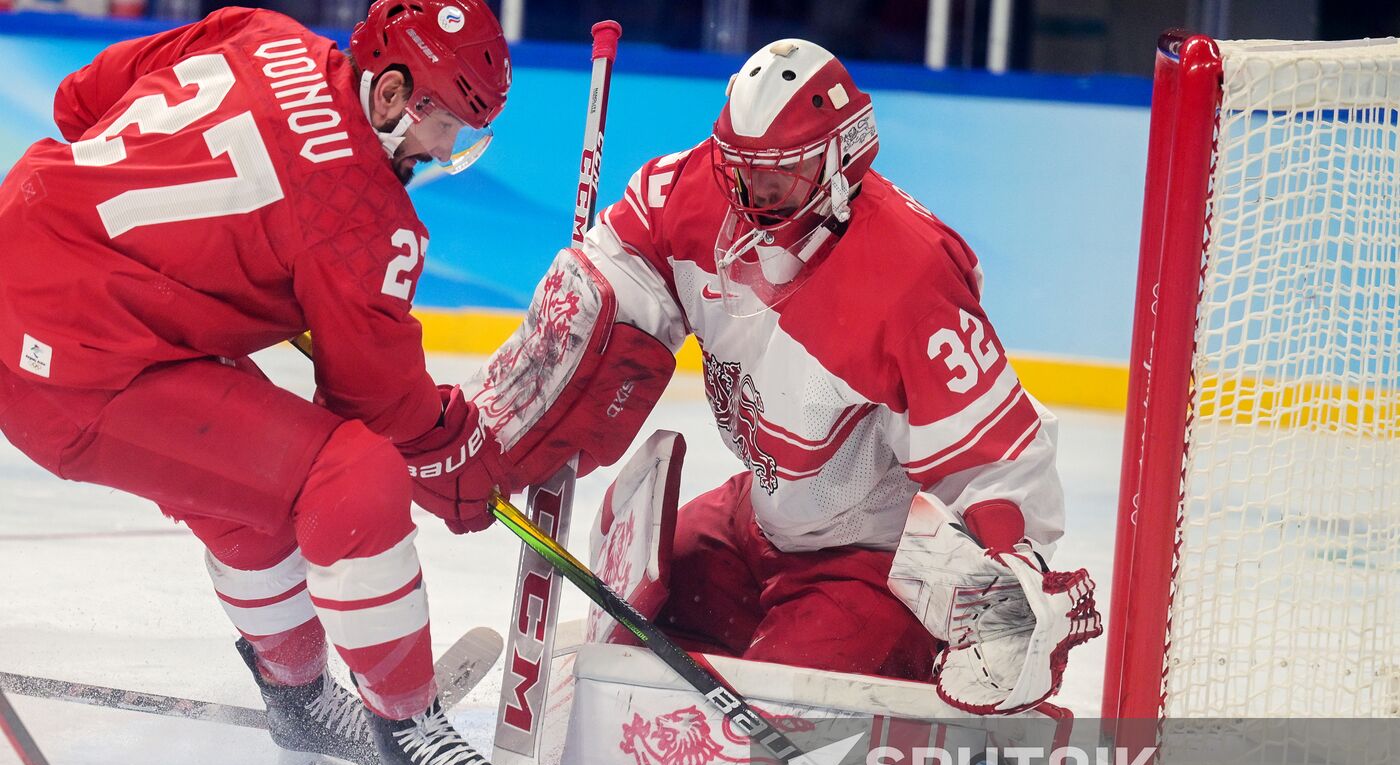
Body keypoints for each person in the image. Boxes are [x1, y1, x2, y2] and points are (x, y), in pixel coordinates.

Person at [451, 38, 1101, 719]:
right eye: (737, 167)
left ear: (840, 163)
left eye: (777, 177)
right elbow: (612, 279)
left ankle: (897, 681)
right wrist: (504, 419)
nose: (747, 194)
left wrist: (1008, 572)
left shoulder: (910, 280)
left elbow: (997, 457)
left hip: (865, 564)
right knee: (643, 607)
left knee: (778, 723)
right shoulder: (691, 189)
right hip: (759, 520)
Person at [0, 0, 519, 765]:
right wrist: (450, 443)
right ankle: (407, 724)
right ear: (389, 94)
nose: (443, 153)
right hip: (78, 364)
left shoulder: (259, 31)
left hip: (31, 251)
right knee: (348, 474)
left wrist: (228, 256)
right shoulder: (362, 220)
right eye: (445, 128)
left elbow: (77, 101)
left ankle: (301, 702)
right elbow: (376, 403)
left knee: (250, 482)